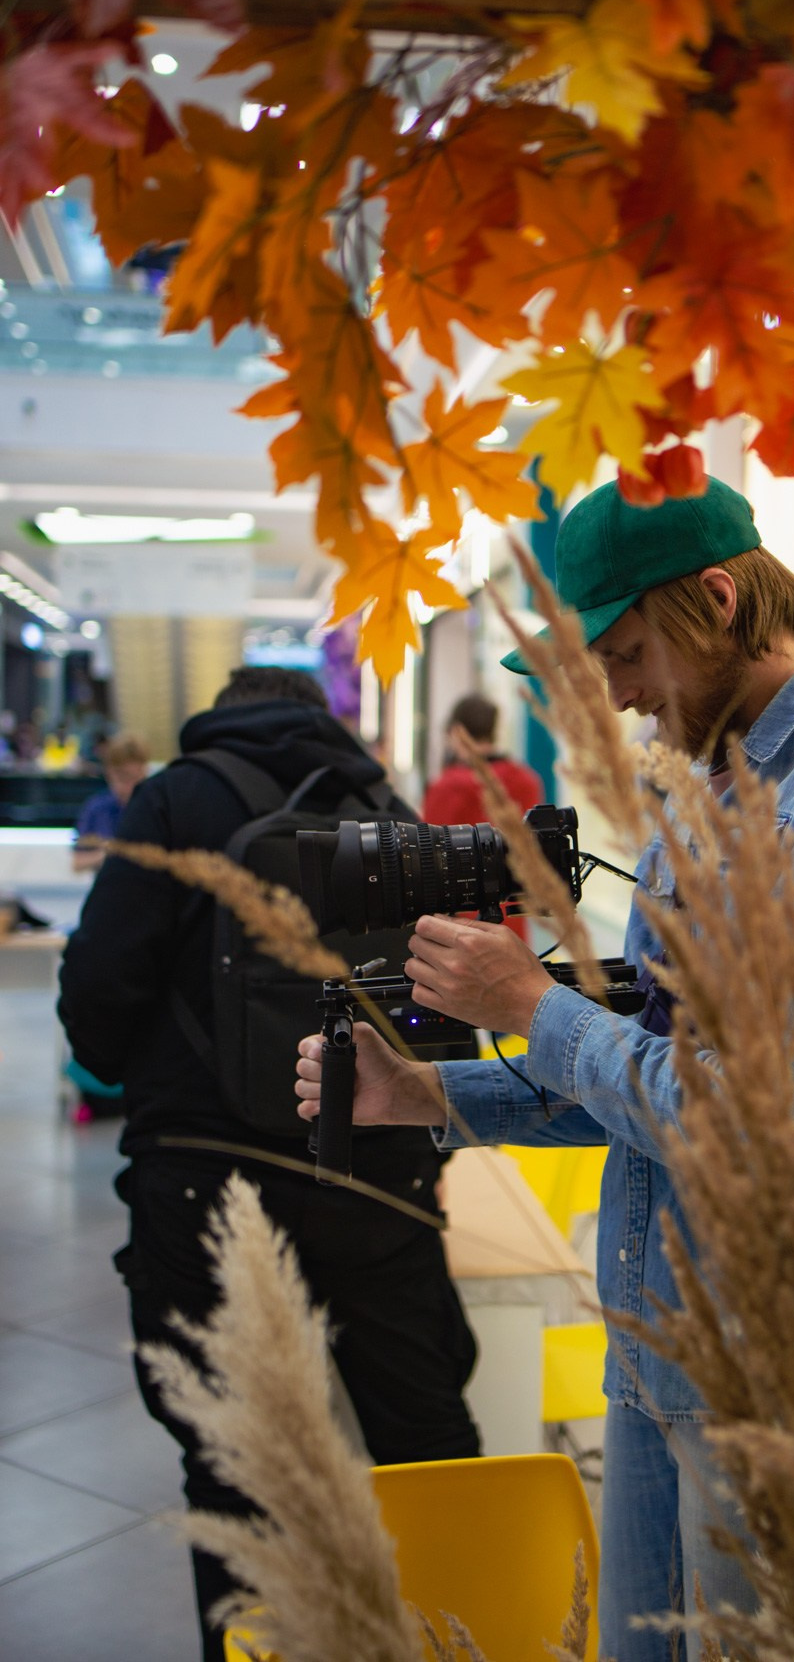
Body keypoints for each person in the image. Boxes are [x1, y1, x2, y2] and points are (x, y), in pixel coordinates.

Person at [296, 479, 794, 1662]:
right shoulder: (712, 791)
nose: (615, 696)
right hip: (659, 1351)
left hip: (775, 1378)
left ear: (720, 597)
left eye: (628, 652)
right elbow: (649, 1084)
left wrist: (532, 1005)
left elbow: (763, 1129)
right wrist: (431, 1095)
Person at [59, 665, 480, 1662]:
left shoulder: (172, 798)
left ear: (225, 712)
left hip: (205, 1175)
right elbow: (443, 1000)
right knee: (425, 1444)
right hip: (373, 1169)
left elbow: (99, 988)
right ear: (320, 718)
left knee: (233, 1469)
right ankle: (465, 1634)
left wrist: (145, 1075)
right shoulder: (386, 804)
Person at [423, 692, 545, 942]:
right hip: (513, 918)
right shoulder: (527, 780)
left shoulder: (447, 786)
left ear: (457, 732)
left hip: (462, 923)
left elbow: (427, 860)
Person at [72, 731, 150, 872]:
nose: (129, 787)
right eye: (123, 778)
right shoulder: (96, 808)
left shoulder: (156, 807)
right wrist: (111, 854)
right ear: (109, 773)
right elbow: (77, 862)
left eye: (135, 778)